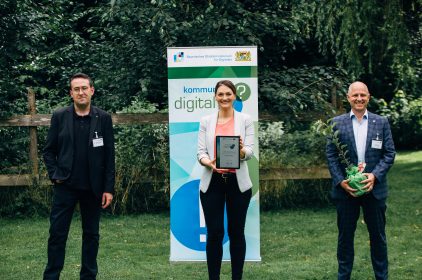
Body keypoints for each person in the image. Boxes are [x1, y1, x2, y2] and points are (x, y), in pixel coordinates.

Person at [43, 73, 115, 280]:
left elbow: (109, 156)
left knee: (91, 236)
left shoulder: (103, 118)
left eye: (84, 88)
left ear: (92, 90)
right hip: (65, 185)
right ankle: (51, 276)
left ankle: (88, 276)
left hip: (94, 188)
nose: (81, 92)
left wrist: (108, 188)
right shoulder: (60, 116)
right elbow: (49, 151)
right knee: (57, 234)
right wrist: (55, 174)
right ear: (71, 93)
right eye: (77, 89)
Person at [326, 81, 396, 280]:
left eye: (362, 95)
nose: (359, 98)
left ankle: (381, 277)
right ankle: (343, 276)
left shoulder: (381, 122)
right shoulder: (336, 123)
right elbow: (331, 155)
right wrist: (341, 182)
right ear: (348, 98)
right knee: (345, 238)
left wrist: (375, 175)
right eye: (355, 95)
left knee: (378, 238)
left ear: (368, 97)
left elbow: (389, 153)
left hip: (374, 190)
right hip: (345, 192)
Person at [197, 80, 254, 280]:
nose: (224, 98)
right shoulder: (206, 121)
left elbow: (250, 151)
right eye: (220, 94)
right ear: (215, 96)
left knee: (237, 233)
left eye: (228, 94)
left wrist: (241, 150)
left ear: (235, 96)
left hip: (238, 184)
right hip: (212, 182)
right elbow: (200, 153)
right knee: (214, 234)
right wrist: (208, 163)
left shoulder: (245, 120)